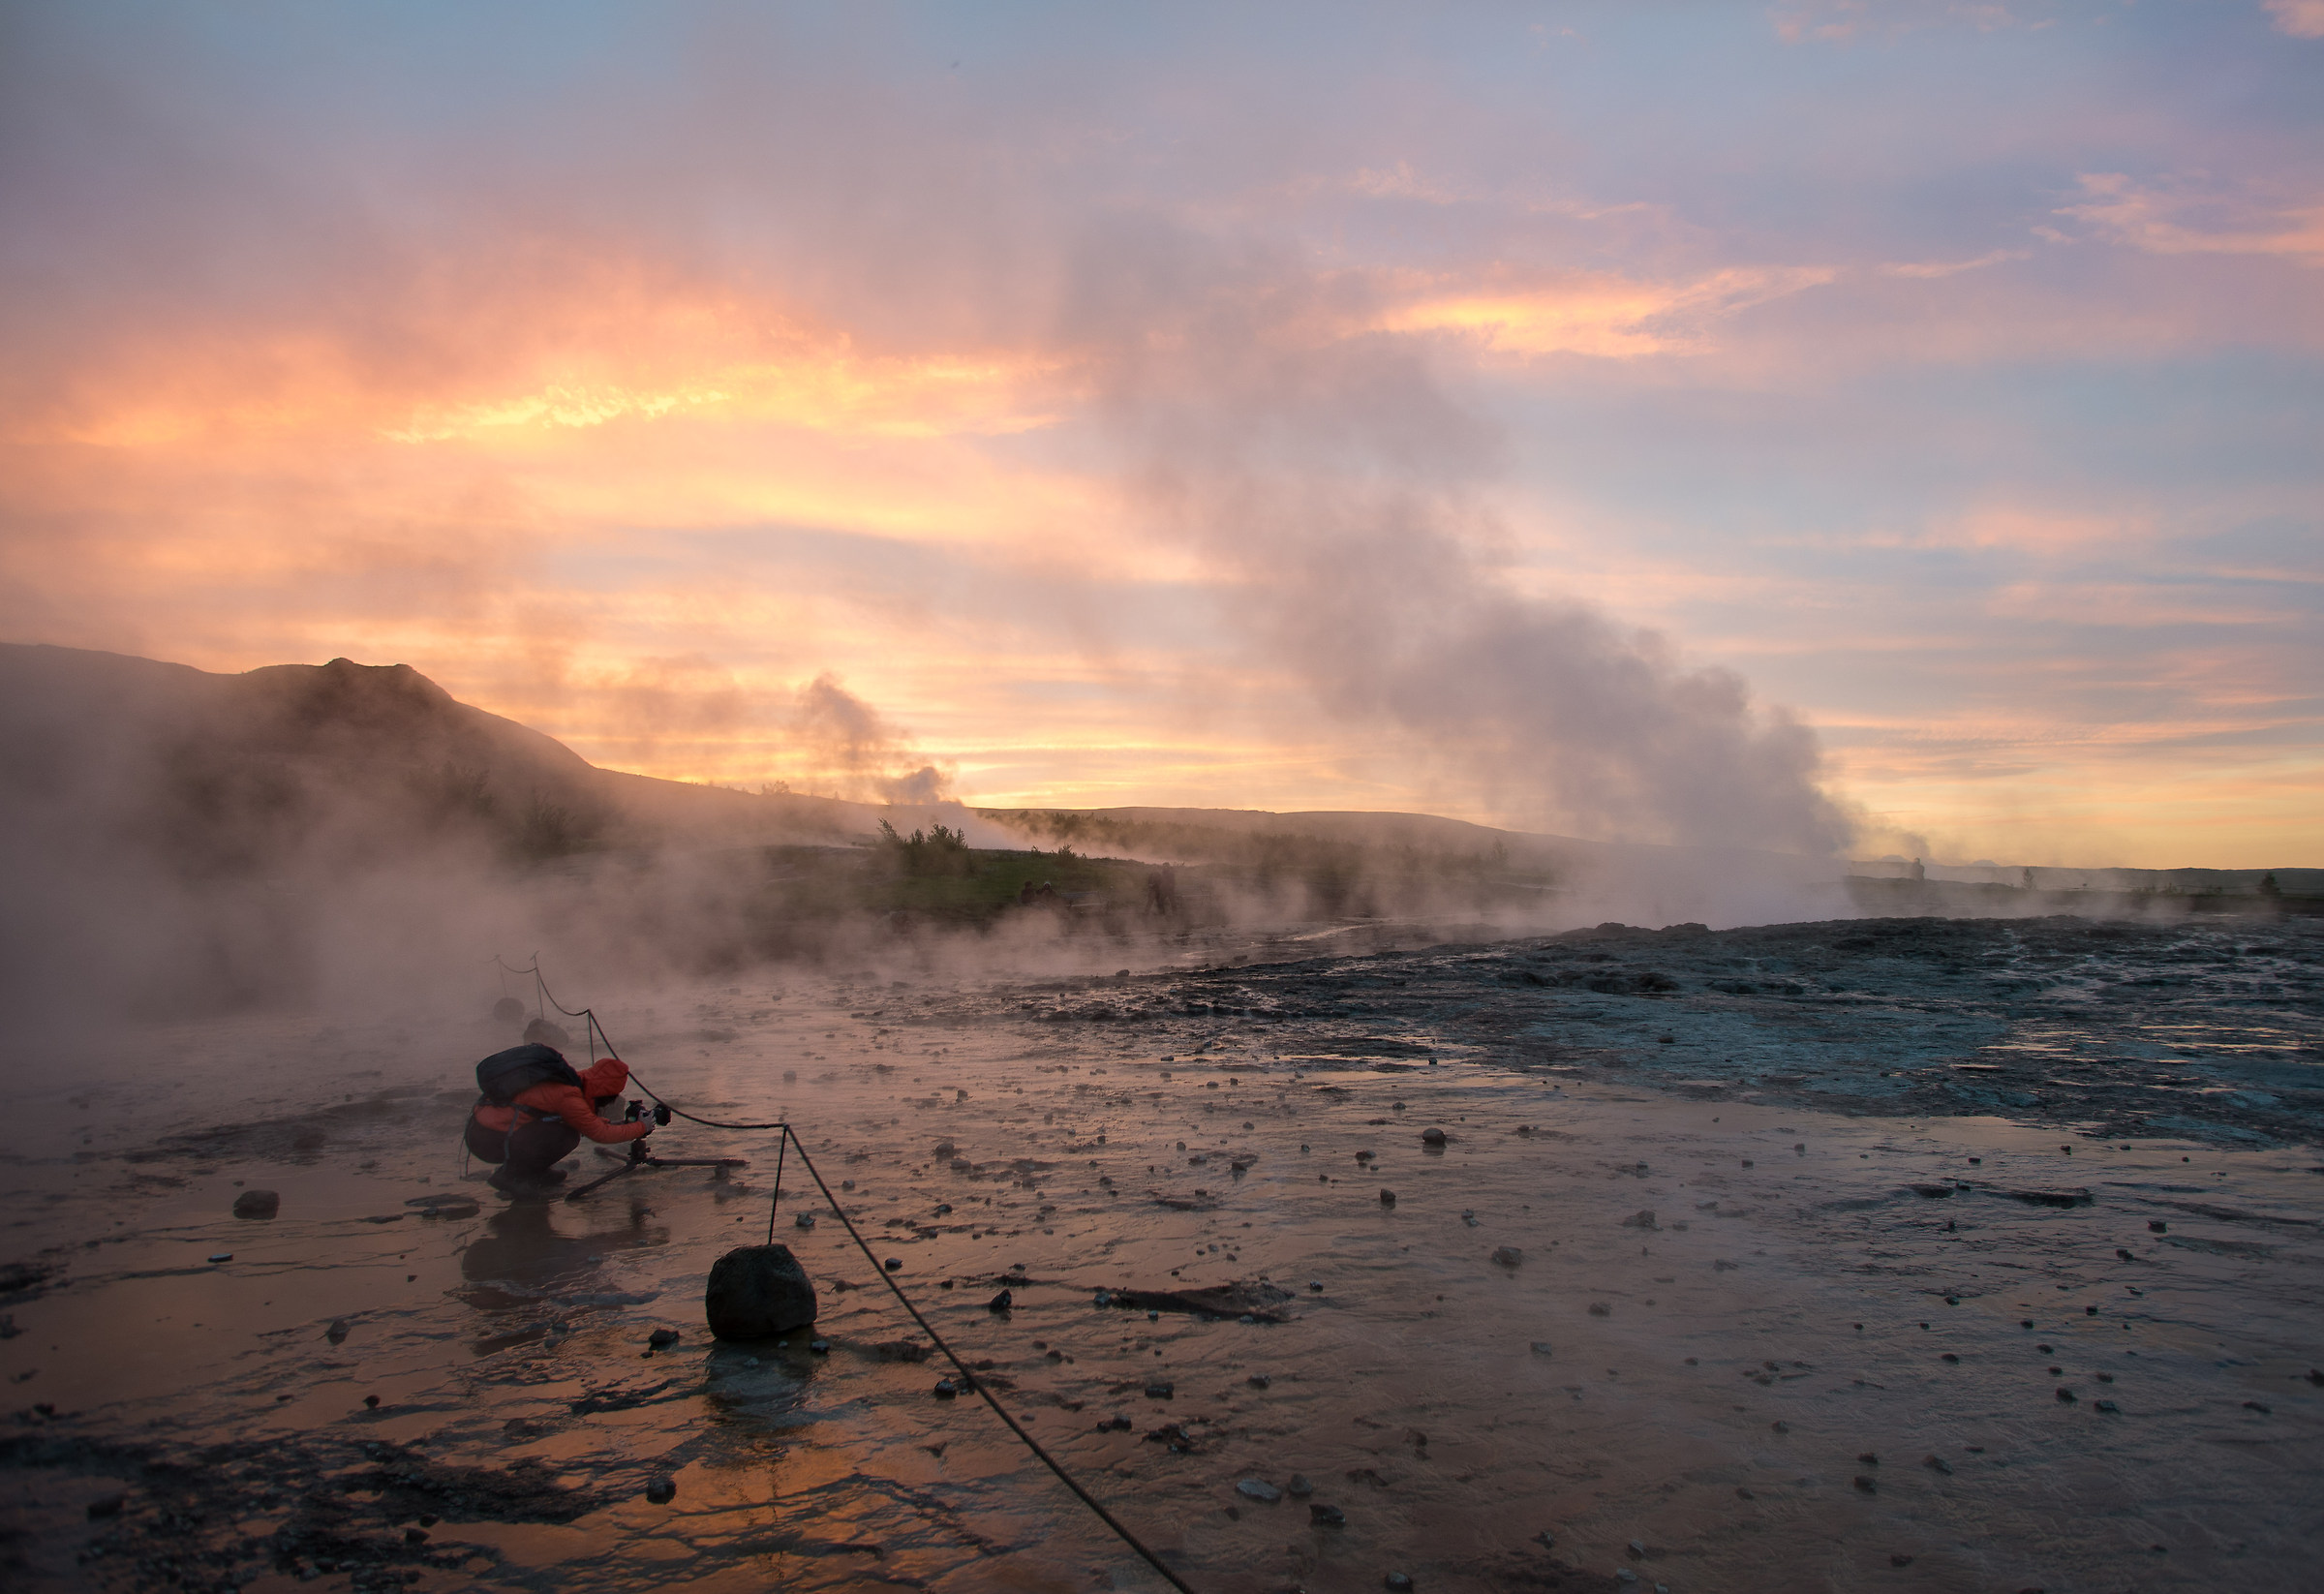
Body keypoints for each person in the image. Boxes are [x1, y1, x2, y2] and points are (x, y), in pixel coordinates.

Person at [467, 1050, 652, 1195]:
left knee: (565, 1128)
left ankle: (536, 1173)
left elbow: (580, 1119)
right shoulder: (568, 1095)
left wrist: (618, 1124)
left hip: (482, 1131)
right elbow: (599, 1134)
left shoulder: (572, 1080)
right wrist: (642, 1126)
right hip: (488, 1140)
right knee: (566, 1135)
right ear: (605, 1092)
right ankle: (510, 1177)